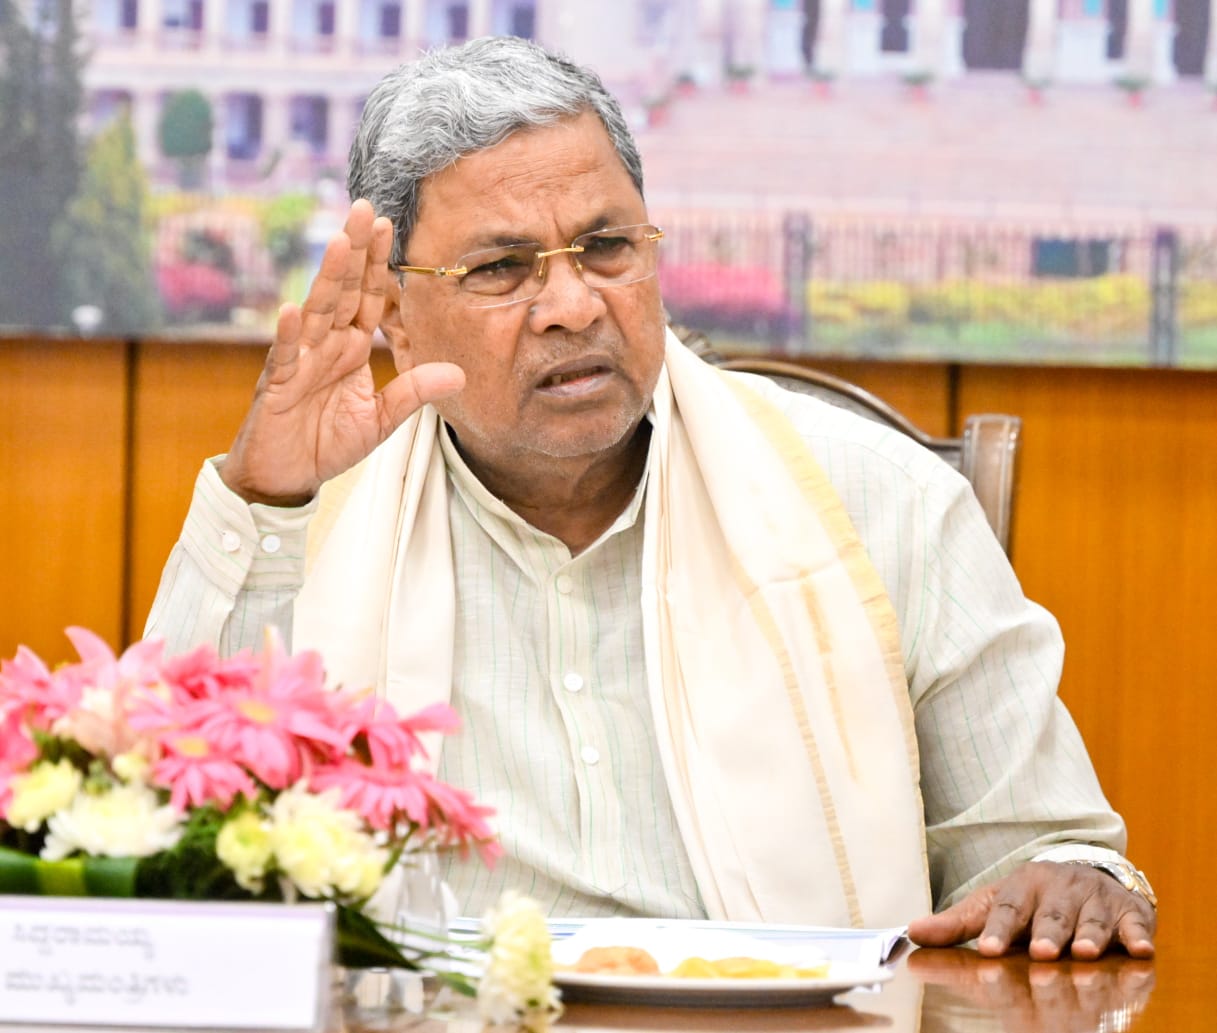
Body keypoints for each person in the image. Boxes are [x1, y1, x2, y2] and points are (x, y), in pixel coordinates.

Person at [146, 36, 1156, 960]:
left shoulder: (887, 506)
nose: (572, 305)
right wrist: (262, 500)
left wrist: (1068, 877)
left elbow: (1037, 847)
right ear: (398, 320)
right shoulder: (307, 518)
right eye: (500, 268)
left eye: (605, 248)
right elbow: (153, 833)